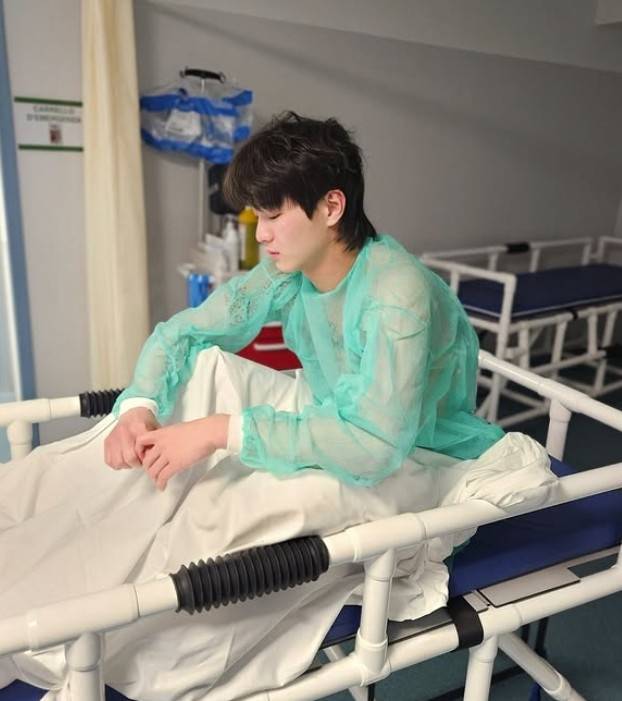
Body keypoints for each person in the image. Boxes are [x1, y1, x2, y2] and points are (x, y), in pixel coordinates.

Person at [105, 111, 504, 490]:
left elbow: (375, 445)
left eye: (273, 216)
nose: (261, 235)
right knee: (208, 365)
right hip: (333, 416)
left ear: (331, 207)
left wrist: (220, 431)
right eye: (258, 216)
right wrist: (138, 406)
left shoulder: (396, 293)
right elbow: (187, 331)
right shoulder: (290, 272)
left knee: (223, 492)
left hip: (413, 454)